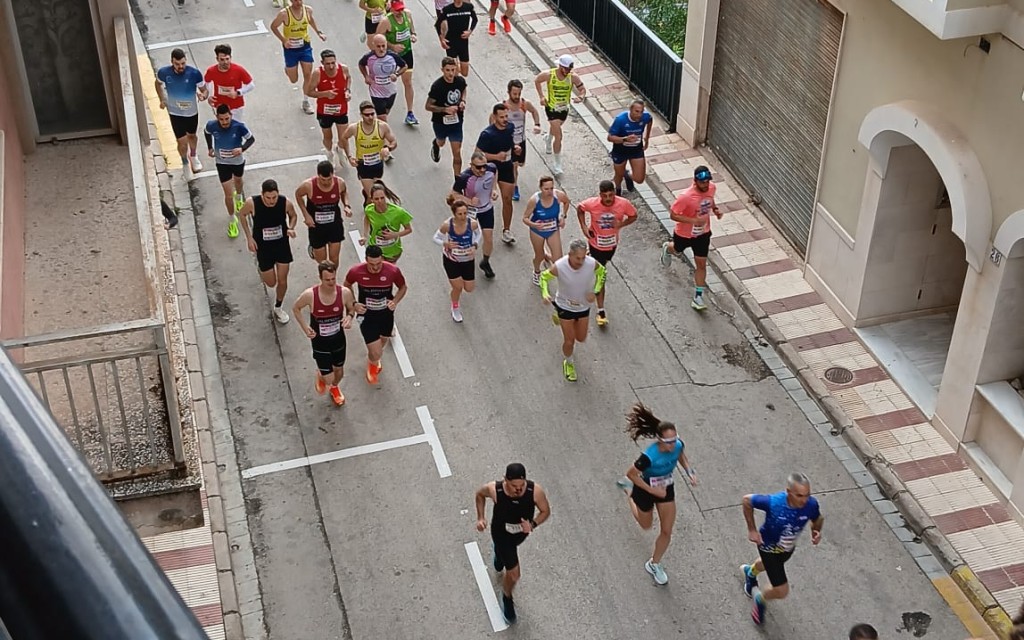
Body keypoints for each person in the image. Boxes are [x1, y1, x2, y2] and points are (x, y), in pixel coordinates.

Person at [614, 403, 697, 586]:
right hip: (645, 488)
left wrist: (689, 471)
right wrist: (651, 490)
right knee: (645, 525)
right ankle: (629, 492)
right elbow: (631, 473)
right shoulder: (649, 456)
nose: (673, 444)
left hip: (665, 488)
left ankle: (654, 564)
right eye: (669, 442)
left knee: (667, 530)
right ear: (659, 440)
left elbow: (681, 455)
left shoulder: (677, 445)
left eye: (675, 439)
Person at [741, 473, 824, 626]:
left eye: (807, 495)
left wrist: (816, 530)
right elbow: (747, 500)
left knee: (767, 565)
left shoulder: (811, 504)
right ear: (788, 491)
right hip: (768, 547)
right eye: (799, 495)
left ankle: (750, 572)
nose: (804, 500)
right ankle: (761, 599)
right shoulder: (773, 503)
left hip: (787, 548)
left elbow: (817, 518)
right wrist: (752, 529)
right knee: (781, 590)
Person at [474, 463, 551, 625]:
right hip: (501, 533)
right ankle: (507, 597)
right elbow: (480, 495)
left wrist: (533, 524)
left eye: (521, 485)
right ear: (505, 480)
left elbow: (545, 511)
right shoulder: (495, 489)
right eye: (514, 485)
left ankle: (499, 554)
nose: (518, 489)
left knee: (504, 559)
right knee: (514, 574)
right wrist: (481, 518)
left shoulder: (534, 491)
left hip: (519, 535)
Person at [539, 239, 605, 382]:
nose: (581, 262)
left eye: (583, 257)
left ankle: (567, 323)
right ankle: (568, 363)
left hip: (583, 307)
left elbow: (602, 273)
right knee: (570, 341)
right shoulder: (560, 266)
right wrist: (545, 294)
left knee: (581, 338)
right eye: (577, 258)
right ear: (570, 254)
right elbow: (544, 277)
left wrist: (596, 290)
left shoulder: (591, 263)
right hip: (565, 306)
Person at [292, 261, 357, 406]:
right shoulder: (310, 295)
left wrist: (349, 317)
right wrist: (305, 327)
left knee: (339, 372)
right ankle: (323, 377)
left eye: (333, 279)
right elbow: (296, 308)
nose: (331, 282)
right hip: (319, 341)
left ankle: (334, 387)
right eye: (327, 280)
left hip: (338, 340)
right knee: (328, 378)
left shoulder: (344, 293)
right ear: (320, 278)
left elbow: (351, 308)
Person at [343, 245, 408, 385]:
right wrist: (354, 303)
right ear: (366, 260)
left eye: (379, 264)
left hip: (386, 314)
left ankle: (374, 357)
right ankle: (372, 363)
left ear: (382, 260)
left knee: (383, 340)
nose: (376, 268)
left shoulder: (393, 271)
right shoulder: (356, 271)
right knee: (376, 351)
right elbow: (346, 286)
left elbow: (403, 287)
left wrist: (395, 301)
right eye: (371, 265)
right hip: (366, 315)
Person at [576, 180, 637, 326]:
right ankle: (601, 310)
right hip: (596, 244)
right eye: (605, 196)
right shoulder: (592, 203)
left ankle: (586, 263)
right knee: (601, 275)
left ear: (614, 193)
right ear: (600, 195)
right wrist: (584, 228)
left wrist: (621, 224)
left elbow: (634, 216)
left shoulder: (623, 204)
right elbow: (580, 208)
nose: (608, 199)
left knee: (601, 265)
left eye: (611, 195)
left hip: (611, 246)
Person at [661, 165, 721, 312]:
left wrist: (715, 209)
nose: (705, 184)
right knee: (677, 249)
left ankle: (698, 297)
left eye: (707, 181)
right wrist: (693, 221)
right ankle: (667, 248)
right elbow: (673, 215)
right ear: (695, 181)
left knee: (701, 264)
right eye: (702, 182)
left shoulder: (711, 188)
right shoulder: (686, 197)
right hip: (684, 234)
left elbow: (710, 200)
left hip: (703, 234)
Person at [238, 179, 298, 324]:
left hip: (281, 245)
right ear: (262, 195)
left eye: (274, 197)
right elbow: (242, 215)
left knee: (282, 280)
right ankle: (262, 269)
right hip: (263, 248)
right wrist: (249, 238)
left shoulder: (285, 202)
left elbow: (293, 215)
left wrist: (290, 228)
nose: (272, 201)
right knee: (271, 283)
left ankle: (278, 307)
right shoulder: (252, 203)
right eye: (268, 198)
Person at [204, 105, 255, 238]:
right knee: (227, 194)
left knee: (238, 181)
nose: (225, 122)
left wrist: (241, 149)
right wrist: (210, 148)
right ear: (217, 118)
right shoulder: (212, 125)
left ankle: (239, 197)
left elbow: (251, 139)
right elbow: (206, 132)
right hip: (222, 163)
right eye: (222, 119)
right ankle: (232, 220)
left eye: (227, 118)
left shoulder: (239, 126)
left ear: (231, 115)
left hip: (237, 162)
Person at [155, 48, 209, 175]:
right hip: (175, 113)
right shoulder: (164, 73)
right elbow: (157, 84)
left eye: (183, 63)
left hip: (191, 113)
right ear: (172, 62)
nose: (181, 67)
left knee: (192, 136)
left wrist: (203, 96)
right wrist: (162, 99)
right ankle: (185, 162)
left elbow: (204, 90)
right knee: (181, 141)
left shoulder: (195, 73)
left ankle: (194, 156)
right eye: (177, 64)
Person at [270, 0, 325, 115]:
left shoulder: (308, 10)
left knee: (307, 74)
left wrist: (319, 32)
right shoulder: (284, 14)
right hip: (290, 49)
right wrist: (284, 40)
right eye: (295, 0)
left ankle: (305, 101)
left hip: (305, 46)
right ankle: (288, 69)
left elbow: (310, 20)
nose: (298, 2)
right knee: (293, 79)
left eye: (300, 0)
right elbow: (273, 26)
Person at [534, 55, 586, 175]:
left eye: (569, 69)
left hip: (564, 109)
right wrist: (541, 96)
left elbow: (582, 89)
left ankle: (548, 138)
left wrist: (581, 97)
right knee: (559, 135)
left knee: (556, 128)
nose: (568, 71)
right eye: (566, 69)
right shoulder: (549, 75)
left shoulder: (573, 77)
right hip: (551, 108)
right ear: (561, 66)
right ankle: (557, 164)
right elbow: (537, 81)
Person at [475, 103, 518, 246]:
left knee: (507, 198)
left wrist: (515, 148)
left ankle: (507, 230)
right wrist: (495, 156)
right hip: (489, 169)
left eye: (506, 116)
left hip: (506, 167)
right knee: (483, 201)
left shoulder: (510, 127)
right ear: (494, 117)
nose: (505, 119)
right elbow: (477, 154)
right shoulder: (487, 134)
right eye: (502, 117)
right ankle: (477, 227)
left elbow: (509, 143)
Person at [339, 101, 398, 206]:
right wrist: (349, 156)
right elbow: (344, 138)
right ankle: (370, 217)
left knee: (374, 190)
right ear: (361, 115)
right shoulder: (355, 128)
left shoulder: (382, 126)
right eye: (367, 115)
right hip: (363, 165)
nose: (370, 117)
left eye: (372, 114)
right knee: (373, 197)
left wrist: (388, 148)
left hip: (378, 164)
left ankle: (367, 195)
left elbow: (394, 142)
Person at [451, 152, 499, 279]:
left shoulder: (491, 168)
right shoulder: (464, 177)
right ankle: (461, 262)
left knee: (488, 238)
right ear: (471, 165)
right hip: (471, 211)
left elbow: (494, 174)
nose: (482, 170)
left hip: (486, 209)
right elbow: (454, 193)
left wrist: (494, 189)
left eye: (484, 166)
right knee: (466, 238)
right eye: (478, 167)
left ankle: (485, 262)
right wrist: (468, 201)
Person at [295, 160, 351, 265]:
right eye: (323, 180)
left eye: (329, 179)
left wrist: (346, 205)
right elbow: (298, 195)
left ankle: (332, 280)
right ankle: (313, 249)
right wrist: (306, 215)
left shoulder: (339, 183)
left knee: (334, 259)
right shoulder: (308, 185)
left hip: (334, 224)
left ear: (332, 175)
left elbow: (344, 192)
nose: (326, 182)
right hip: (316, 227)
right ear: (318, 176)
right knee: (322, 262)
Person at [434, 198, 481, 322]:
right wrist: (446, 243)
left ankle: (457, 293)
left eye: (465, 213)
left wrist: (474, 245)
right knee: (458, 287)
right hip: (451, 259)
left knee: (469, 288)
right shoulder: (447, 225)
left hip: (468, 259)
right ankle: (455, 307)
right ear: (454, 213)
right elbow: (436, 237)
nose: (463, 216)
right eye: (460, 214)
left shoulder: (472, 223)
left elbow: (478, 234)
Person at [305, 49, 351, 165]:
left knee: (344, 136)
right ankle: (329, 153)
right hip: (325, 111)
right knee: (328, 137)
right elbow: (309, 92)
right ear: (322, 63)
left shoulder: (343, 69)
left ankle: (339, 149)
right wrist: (325, 94)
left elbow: (348, 78)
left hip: (341, 109)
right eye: (327, 64)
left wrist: (347, 90)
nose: (331, 66)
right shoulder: (318, 73)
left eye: (333, 63)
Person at [377, 0, 419, 126]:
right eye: (397, 10)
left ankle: (410, 113)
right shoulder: (386, 21)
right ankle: (381, 111)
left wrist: (413, 35)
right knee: (387, 85)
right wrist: (392, 46)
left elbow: (412, 29)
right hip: (390, 56)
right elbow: (378, 39)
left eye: (401, 9)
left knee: (408, 82)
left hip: (406, 53)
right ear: (392, 9)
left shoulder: (408, 14)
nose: (400, 12)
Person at [521, 176, 569, 286]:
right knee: (539, 256)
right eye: (546, 189)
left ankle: (548, 258)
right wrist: (534, 225)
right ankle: (537, 271)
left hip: (553, 229)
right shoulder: (534, 200)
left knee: (558, 259)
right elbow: (525, 218)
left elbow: (566, 202)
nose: (549, 191)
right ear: (540, 188)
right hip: (537, 232)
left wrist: (563, 216)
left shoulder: (558, 195)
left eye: (551, 188)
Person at [425, 57, 468, 177]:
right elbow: (428, 106)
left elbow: (464, 89)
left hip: (456, 122)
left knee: (457, 152)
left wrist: (463, 101)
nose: (451, 73)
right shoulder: (437, 86)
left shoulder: (460, 81)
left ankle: (457, 182)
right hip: (440, 122)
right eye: (448, 70)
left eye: (453, 70)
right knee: (441, 142)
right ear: (442, 70)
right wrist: (445, 109)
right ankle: (436, 144)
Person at [503, 79, 541, 201]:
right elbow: (492, 119)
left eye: (519, 93)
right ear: (508, 92)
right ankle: (515, 187)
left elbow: (534, 111)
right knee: (513, 166)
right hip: (509, 142)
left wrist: (537, 124)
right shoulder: (503, 106)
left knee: (519, 165)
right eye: (514, 94)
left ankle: (512, 180)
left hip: (521, 140)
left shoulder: (524, 104)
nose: (517, 96)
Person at [358, 35, 409, 124]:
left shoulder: (393, 56)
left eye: (383, 46)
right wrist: (366, 76)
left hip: (391, 91)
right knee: (383, 119)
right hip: (376, 92)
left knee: (385, 113)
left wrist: (396, 74)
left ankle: (375, 127)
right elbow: (361, 64)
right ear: (374, 46)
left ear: (386, 45)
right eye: (378, 46)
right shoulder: (369, 57)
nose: (381, 49)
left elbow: (404, 66)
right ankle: (382, 135)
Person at [607, 99, 653, 194]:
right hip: (620, 150)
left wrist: (646, 138)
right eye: (636, 111)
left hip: (636, 150)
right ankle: (618, 189)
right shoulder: (620, 119)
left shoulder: (645, 117)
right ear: (630, 110)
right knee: (619, 175)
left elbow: (650, 120)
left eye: (641, 112)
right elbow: (610, 137)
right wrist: (624, 139)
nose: (639, 115)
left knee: (640, 179)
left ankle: (627, 175)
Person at [361, 181, 412, 263]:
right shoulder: (369, 209)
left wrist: (395, 234)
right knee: (374, 271)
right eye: (376, 199)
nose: (380, 201)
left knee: (386, 273)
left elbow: (409, 229)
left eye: (382, 198)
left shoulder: (398, 212)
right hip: (375, 248)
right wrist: (365, 236)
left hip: (392, 251)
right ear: (371, 199)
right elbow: (367, 219)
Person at [204, 44, 254, 125]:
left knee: (235, 129)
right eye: (222, 60)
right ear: (217, 59)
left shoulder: (238, 70)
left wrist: (238, 92)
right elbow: (207, 82)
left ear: (231, 57)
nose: (225, 62)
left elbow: (251, 85)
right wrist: (209, 95)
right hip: (220, 106)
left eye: (227, 59)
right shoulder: (211, 71)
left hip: (236, 107)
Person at [439, 0, 478, 78]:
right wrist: (442, 38)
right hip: (451, 42)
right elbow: (437, 23)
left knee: (465, 73)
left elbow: (475, 19)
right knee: (454, 73)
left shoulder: (468, 7)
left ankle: (458, 66)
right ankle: (453, 78)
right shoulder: (447, 9)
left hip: (463, 42)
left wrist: (470, 31)